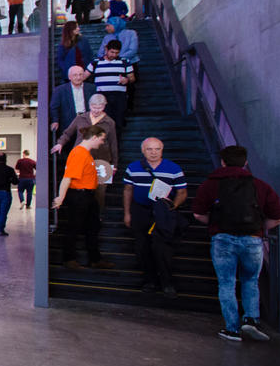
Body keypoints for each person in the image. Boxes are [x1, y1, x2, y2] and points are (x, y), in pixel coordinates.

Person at [191, 146, 280, 342]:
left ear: (222, 162)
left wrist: (215, 225)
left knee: (226, 283)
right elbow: (277, 216)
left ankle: (232, 330)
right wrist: (259, 228)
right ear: (245, 162)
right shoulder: (260, 186)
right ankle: (251, 319)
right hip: (252, 239)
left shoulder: (210, 185)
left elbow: (198, 213)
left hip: (222, 239)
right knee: (251, 280)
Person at [122, 139, 189, 299]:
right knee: (142, 248)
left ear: (162, 150)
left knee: (163, 249)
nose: (153, 152)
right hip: (140, 211)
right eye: (149, 149)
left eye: (157, 149)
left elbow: (182, 192)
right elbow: (127, 190)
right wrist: (127, 213)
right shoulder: (133, 167)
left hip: (163, 212)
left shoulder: (173, 168)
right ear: (143, 151)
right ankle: (150, 281)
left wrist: (173, 206)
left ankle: (167, 283)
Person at [52, 126, 113, 270]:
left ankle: (95, 259)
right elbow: (67, 178)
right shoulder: (78, 153)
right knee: (73, 227)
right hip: (79, 195)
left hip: (88, 195)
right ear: (94, 137)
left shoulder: (85, 153)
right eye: (102, 139)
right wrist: (60, 197)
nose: (102, 142)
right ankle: (69, 259)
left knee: (93, 226)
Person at [53, 95, 119, 213]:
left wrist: (114, 164)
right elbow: (68, 133)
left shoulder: (109, 122)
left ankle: (98, 216)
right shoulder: (81, 118)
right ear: (89, 105)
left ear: (104, 106)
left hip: (101, 160)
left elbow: (113, 143)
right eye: (94, 107)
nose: (96, 110)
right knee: (78, 186)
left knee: (100, 191)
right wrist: (60, 143)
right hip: (81, 158)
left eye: (100, 107)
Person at [86, 41, 136, 129]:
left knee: (118, 121)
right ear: (106, 49)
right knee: (103, 121)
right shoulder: (96, 62)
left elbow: (132, 78)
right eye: (112, 52)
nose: (114, 55)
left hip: (119, 96)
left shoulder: (125, 62)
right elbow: (84, 76)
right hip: (102, 96)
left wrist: (127, 80)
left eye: (116, 53)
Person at [50, 65, 96, 134]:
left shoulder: (92, 88)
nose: (78, 77)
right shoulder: (60, 90)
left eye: (80, 74)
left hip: (87, 123)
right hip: (68, 124)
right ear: (69, 77)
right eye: (75, 75)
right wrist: (55, 121)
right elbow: (54, 107)